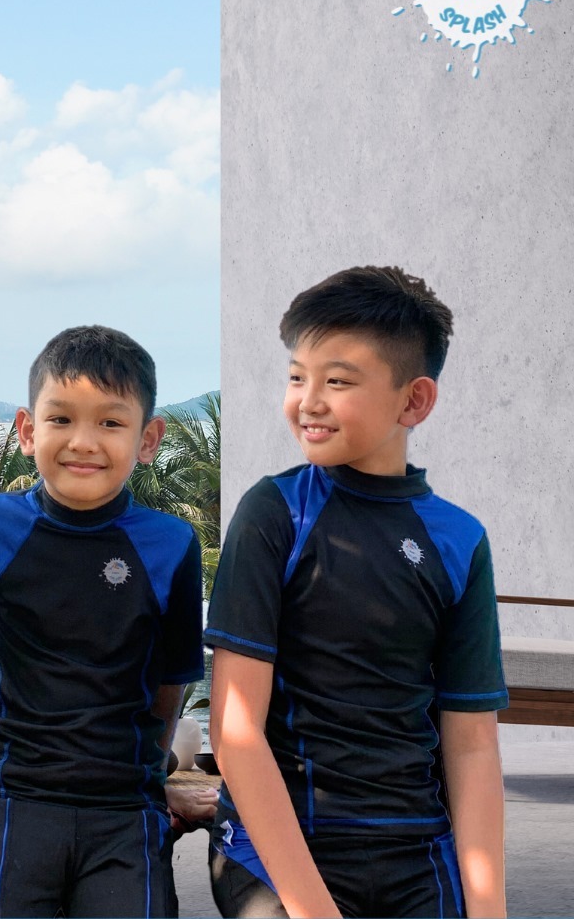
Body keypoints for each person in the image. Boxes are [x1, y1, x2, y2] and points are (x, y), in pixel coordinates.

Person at [206, 266, 509, 919]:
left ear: (413, 401)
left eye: (337, 381)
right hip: (279, 845)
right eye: (298, 377)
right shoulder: (275, 514)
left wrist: (489, 908)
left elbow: (472, 743)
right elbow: (235, 733)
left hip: (415, 847)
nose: (308, 401)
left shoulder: (458, 540)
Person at [0, 324, 206, 918]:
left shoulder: (171, 544)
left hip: (123, 807)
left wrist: (151, 776)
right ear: (27, 430)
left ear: (148, 439)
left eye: (110, 422)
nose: (83, 442)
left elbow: (171, 681)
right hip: (9, 795)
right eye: (60, 419)